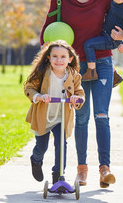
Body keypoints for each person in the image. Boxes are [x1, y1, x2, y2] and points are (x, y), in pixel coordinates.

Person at [40, 0, 123, 188]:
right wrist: (51, 60)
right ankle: (82, 170)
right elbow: (47, 31)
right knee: (82, 118)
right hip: (75, 68)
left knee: (102, 116)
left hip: (103, 63)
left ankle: (105, 169)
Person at [24, 40, 85, 185]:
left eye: (63, 57)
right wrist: (38, 96)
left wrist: (77, 98)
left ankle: (58, 175)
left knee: (61, 144)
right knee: (41, 146)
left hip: (61, 117)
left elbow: (80, 93)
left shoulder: (73, 75)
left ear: (70, 59)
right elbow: (29, 88)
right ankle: (35, 160)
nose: (59, 60)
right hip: (44, 116)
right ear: (49, 58)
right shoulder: (43, 73)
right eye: (55, 56)